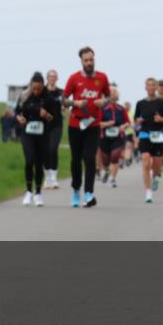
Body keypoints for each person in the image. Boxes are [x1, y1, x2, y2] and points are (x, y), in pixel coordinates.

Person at [61, 47, 111, 208]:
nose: (89, 63)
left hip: (93, 124)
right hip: (76, 124)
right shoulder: (74, 78)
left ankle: (89, 192)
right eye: (86, 60)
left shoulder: (102, 78)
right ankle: (76, 190)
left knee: (89, 158)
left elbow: (109, 97)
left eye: (91, 60)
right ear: (81, 61)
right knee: (76, 159)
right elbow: (62, 99)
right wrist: (74, 103)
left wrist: (103, 102)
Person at [14, 72, 61, 206]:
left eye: (39, 89)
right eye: (34, 88)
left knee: (39, 163)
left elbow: (55, 118)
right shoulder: (24, 95)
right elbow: (17, 111)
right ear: (30, 85)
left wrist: (46, 115)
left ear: (43, 87)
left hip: (43, 133)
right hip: (27, 133)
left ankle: (38, 193)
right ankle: (29, 191)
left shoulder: (49, 98)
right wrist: (20, 118)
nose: (36, 91)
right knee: (30, 160)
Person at [134, 78, 163, 202]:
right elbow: (136, 117)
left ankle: (157, 176)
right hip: (145, 135)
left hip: (158, 136)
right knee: (146, 164)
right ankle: (148, 191)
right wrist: (138, 120)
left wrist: (162, 119)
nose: (151, 87)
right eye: (148, 85)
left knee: (156, 166)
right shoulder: (140, 103)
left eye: (153, 85)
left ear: (156, 88)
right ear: (145, 87)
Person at [99, 88, 128, 187]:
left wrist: (122, 127)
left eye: (115, 96)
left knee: (115, 156)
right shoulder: (102, 109)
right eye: (111, 96)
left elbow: (127, 122)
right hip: (104, 137)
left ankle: (112, 179)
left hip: (118, 137)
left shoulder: (121, 109)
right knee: (105, 160)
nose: (113, 99)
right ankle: (106, 171)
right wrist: (107, 123)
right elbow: (97, 123)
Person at [44, 69, 64, 188]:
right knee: (46, 150)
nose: (52, 78)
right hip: (45, 125)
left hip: (57, 124)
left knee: (53, 148)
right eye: (50, 76)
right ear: (47, 78)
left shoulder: (61, 92)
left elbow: (66, 104)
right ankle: (47, 178)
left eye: (54, 77)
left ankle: (54, 177)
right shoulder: (43, 92)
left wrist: (65, 108)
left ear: (57, 79)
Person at [122, 100, 135, 166]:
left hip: (130, 132)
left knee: (129, 146)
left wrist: (131, 125)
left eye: (128, 105)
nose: (127, 106)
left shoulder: (132, 113)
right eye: (126, 105)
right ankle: (127, 158)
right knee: (126, 146)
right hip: (122, 132)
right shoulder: (122, 112)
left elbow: (135, 122)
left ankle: (128, 158)